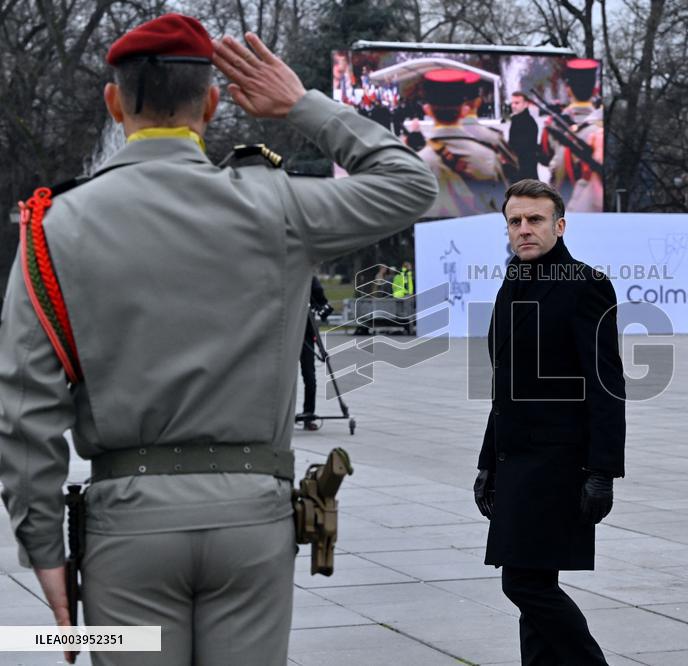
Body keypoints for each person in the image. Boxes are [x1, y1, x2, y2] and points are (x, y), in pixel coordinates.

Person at [0, 14, 436, 666]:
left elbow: (25, 404)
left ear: (113, 102)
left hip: (126, 528)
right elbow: (411, 183)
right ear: (211, 102)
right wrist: (302, 105)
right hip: (252, 523)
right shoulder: (277, 206)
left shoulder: (55, 225)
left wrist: (44, 548)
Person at [474, 179, 625, 665]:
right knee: (534, 585)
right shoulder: (510, 283)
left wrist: (602, 472)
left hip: (560, 463)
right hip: (516, 461)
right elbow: (505, 387)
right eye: (515, 221)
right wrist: (487, 464)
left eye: (535, 220)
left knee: (523, 582)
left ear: (559, 226)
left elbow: (606, 385)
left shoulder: (586, 285)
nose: (524, 229)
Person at [418, 69, 507, 218]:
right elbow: (503, 209)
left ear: (427, 110)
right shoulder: (488, 157)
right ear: (464, 111)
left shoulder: (415, 163)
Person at [540, 59, 604, 212]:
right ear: (595, 90)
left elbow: (545, 157)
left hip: (562, 201)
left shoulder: (552, 124)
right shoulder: (603, 123)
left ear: (568, 89)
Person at [298, 276, 333, 431]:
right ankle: (308, 415)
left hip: (302, 332)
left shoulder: (309, 278)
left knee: (309, 376)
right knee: (309, 376)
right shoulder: (308, 277)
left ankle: (308, 414)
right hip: (296, 333)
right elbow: (320, 296)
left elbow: (319, 296)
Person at [508, 91, 539, 181]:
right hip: (525, 169)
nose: (513, 106)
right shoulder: (521, 120)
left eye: (517, 103)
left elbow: (521, 147)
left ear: (526, 104)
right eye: (512, 103)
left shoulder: (526, 122)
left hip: (523, 170)